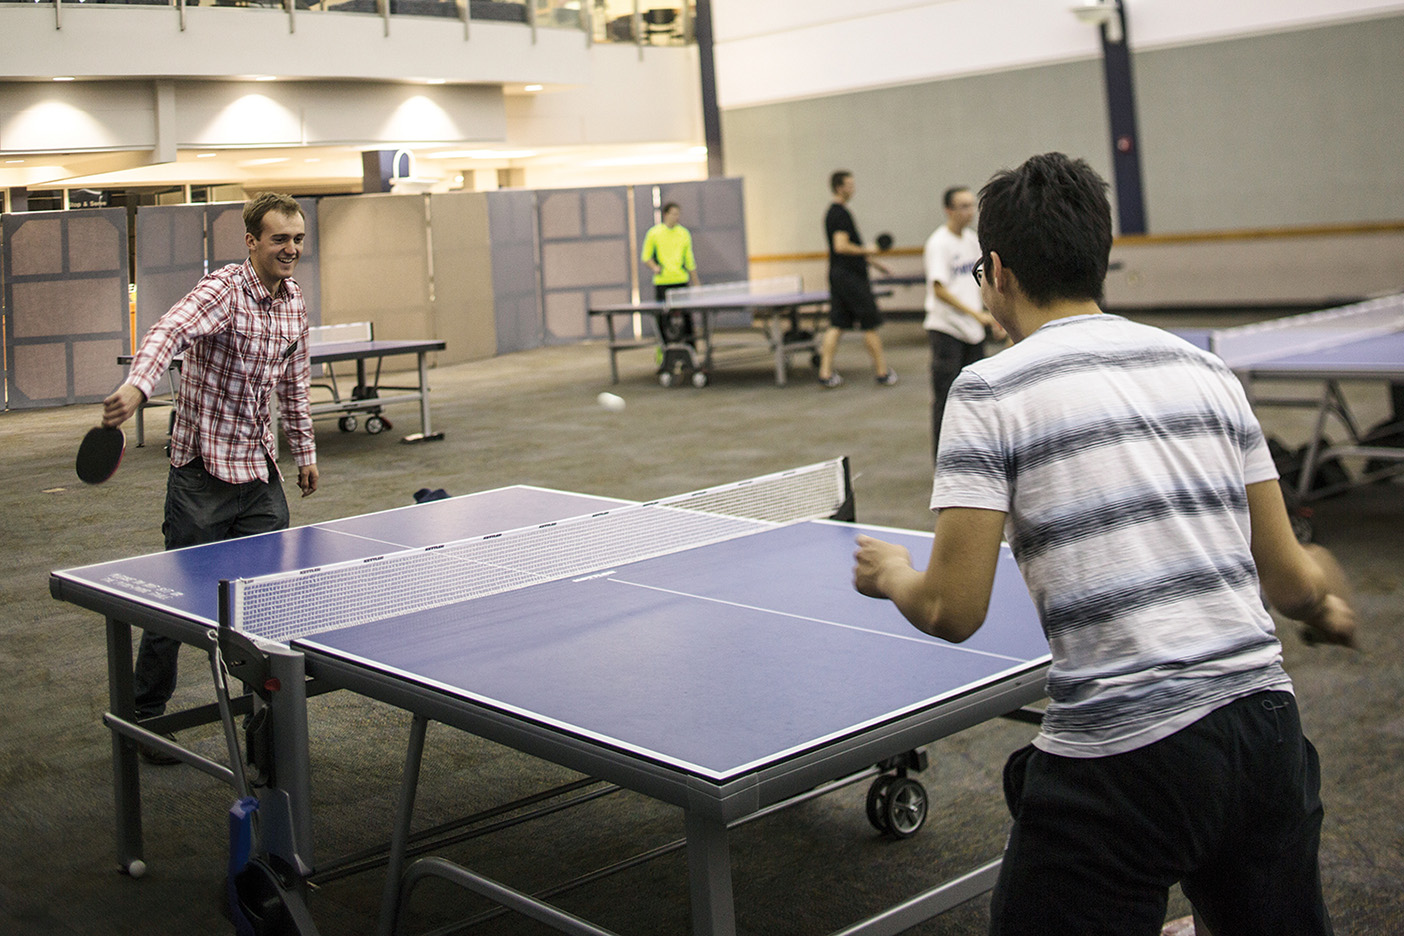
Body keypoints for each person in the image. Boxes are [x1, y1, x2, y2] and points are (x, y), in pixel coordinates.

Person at [852, 153, 1354, 935]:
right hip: (1265, 735)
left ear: (996, 272)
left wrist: (892, 574)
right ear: (1101, 258)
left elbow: (953, 609)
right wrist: (1323, 602)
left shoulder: (988, 391)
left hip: (1123, 759)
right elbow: (1291, 583)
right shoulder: (1208, 370)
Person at [102, 192, 320, 764]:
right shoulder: (223, 292)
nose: (292, 249)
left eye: (297, 238)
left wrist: (306, 451)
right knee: (179, 603)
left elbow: (293, 384)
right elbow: (167, 331)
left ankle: (265, 721)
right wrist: (138, 386)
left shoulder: (294, 302)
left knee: (268, 603)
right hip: (202, 475)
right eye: (280, 239)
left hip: (259, 473)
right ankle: (146, 717)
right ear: (251, 241)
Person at [923, 185, 1005, 462]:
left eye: (972, 205)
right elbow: (940, 290)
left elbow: (982, 283)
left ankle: (975, 455)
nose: (969, 212)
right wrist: (975, 315)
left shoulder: (972, 241)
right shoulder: (939, 243)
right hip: (947, 330)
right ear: (949, 210)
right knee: (946, 400)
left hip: (973, 331)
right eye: (963, 206)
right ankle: (943, 461)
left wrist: (992, 315)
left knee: (977, 396)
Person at [818, 170, 896, 388]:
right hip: (850, 279)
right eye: (850, 185)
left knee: (837, 323)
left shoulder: (834, 213)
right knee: (869, 323)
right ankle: (882, 372)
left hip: (838, 275)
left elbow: (852, 249)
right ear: (840, 187)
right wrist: (868, 249)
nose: (854, 188)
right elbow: (841, 246)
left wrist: (877, 265)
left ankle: (825, 373)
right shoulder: (840, 214)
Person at [639, 201, 700, 352]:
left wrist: (696, 282)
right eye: (673, 213)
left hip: (681, 281)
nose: (676, 216)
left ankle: (691, 349)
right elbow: (646, 257)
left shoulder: (684, 233)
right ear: (666, 214)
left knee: (687, 317)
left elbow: (689, 260)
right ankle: (664, 350)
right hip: (662, 282)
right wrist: (655, 267)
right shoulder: (654, 233)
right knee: (663, 318)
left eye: (678, 214)